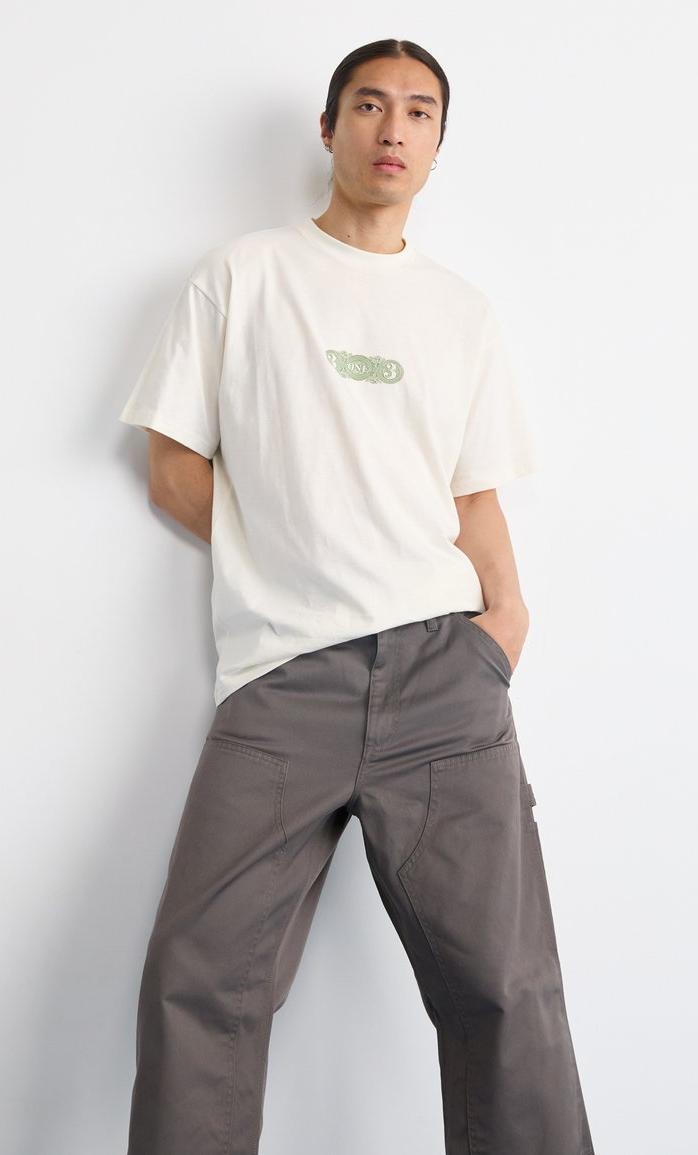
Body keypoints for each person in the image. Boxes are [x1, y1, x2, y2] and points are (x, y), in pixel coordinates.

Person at [119, 37, 595, 1155]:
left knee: (504, 989)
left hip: (444, 676)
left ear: (437, 145)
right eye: (370, 105)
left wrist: (504, 628)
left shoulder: (459, 312)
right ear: (329, 128)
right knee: (199, 978)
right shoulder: (244, 277)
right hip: (283, 681)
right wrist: (296, 557)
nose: (393, 129)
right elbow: (174, 469)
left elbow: (473, 496)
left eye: (419, 112)